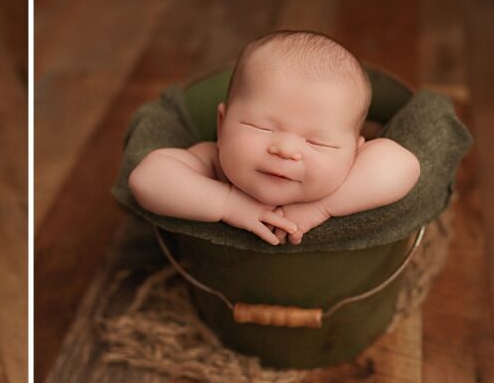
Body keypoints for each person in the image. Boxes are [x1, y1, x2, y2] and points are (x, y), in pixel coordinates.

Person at [128, 30, 420, 246]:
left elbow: (404, 164)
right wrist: (228, 204)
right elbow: (147, 179)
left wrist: (321, 207)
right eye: (261, 127)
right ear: (222, 124)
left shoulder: (351, 175)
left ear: (355, 152)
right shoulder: (211, 162)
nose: (285, 149)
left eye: (318, 143)